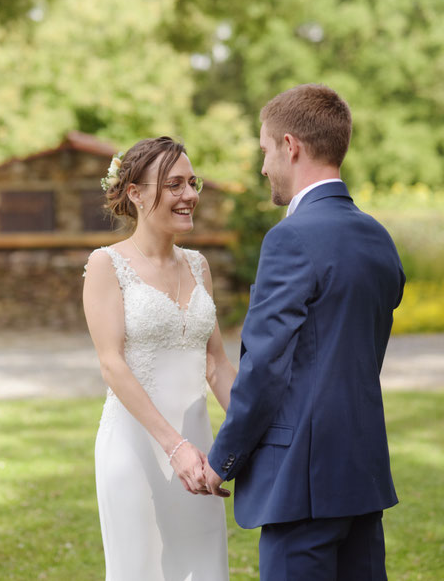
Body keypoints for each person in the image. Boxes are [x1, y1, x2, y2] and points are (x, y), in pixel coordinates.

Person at [203, 84, 405, 580]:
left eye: (265, 151)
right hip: (361, 474)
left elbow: (266, 368)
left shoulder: (290, 238)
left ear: (290, 146)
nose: (263, 167)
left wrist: (222, 458)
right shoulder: (377, 237)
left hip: (302, 483)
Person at [83, 136, 236, 581]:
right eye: (174, 185)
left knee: (204, 569)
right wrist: (175, 447)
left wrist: (258, 431)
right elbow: (112, 364)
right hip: (136, 448)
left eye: (192, 182)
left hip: (199, 449)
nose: (190, 195)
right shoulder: (106, 265)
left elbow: (217, 364)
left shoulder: (198, 265)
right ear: (135, 193)